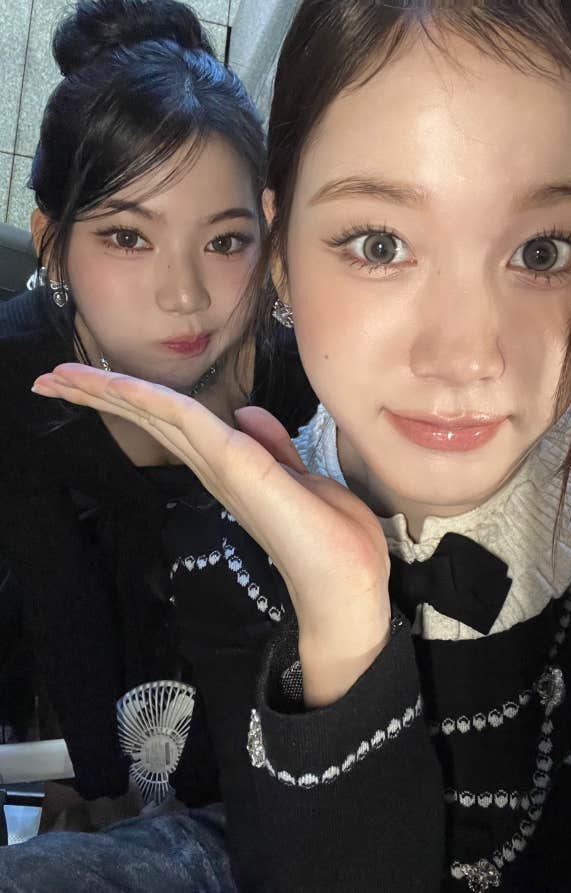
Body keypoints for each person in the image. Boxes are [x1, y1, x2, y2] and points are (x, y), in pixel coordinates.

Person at [13, 0, 571, 890]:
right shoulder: (223, 554)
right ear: (287, 253)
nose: (465, 355)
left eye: (544, 251)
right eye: (381, 243)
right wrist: (338, 633)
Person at [0, 0, 313, 828]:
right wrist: (105, 792)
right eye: (128, 238)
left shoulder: (300, 370)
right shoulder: (17, 369)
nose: (184, 295)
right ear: (53, 244)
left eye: (225, 241)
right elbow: (60, 600)